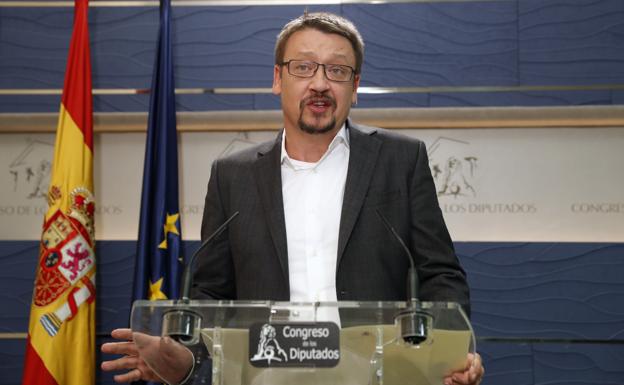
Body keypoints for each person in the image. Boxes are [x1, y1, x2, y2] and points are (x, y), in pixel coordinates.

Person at [102, 12, 484, 385]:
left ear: (355, 87)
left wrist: (451, 353)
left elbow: (440, 274)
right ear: (277, 78)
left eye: (336, 71)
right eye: (303, 67)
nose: (319, 83)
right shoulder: (232, 175)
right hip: (266, 376)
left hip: (378, 374)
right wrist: (183, 360)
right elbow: (210, 294)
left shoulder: (401, 160)